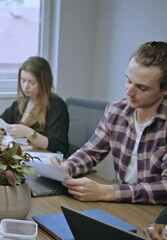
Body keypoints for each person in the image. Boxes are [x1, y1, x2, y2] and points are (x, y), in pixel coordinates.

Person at [53, 41, 167, 205]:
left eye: (142, 88)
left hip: (156, 214)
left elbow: (165, 188)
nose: (129, 91)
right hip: (122, 203)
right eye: (128, 80)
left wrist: (107, 191)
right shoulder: (116, 111)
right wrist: (65, 168)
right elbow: (90, 152)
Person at [0, 56, 69, 154]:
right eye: (23, 80)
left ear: (44, 83)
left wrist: (28, 133)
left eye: (32, 82)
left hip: (44, 160)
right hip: (22, 156)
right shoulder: (22, 102)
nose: (25, 86)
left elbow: (59, 147)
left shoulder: (56, 105)